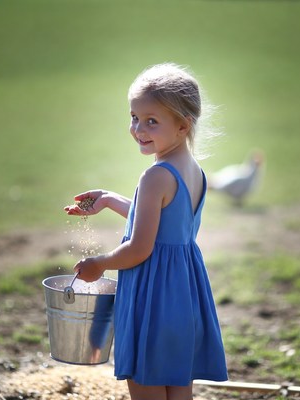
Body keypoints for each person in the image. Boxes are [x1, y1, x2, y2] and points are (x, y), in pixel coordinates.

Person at [64, 63, 228, 400]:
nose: (139, 128)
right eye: (134, 117)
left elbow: (141, 247)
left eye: (152, 120)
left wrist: (100, 263)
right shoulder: (193, 170)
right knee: (178, 385)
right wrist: (111, 200)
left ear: (183, 125)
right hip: (182, 295)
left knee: (146, 381)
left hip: (152, 296)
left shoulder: (154, 177)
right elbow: (166, 222)